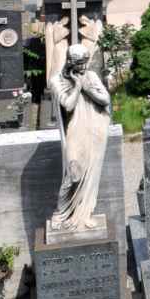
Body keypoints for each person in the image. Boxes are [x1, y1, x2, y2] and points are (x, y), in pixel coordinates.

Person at [48, 43, 111, 235]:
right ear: (69, 62)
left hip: (94, 131)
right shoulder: (57, 81)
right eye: (79, 63)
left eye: (85, 62)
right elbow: (67, 105)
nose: (83, 67)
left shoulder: (91, 76)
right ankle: (61, 213)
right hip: (75, 131)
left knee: (90, 175)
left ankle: (84, 215)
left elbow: (105, 99)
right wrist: (77, 86)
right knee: (73, 173)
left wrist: (87, 88)